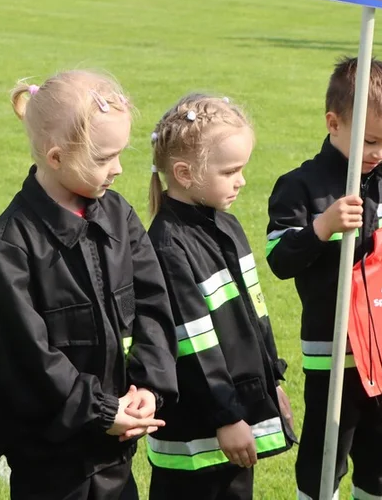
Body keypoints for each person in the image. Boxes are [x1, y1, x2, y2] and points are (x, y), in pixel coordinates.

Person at [0, 71, 178, 500]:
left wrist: (148, 387)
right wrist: (101, 411)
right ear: (55, 157)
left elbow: (153, 307)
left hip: (116, 449)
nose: (118, 169)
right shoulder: (10, 246)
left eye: (120, 154)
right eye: (104, 158)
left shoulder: (117, 215)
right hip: (51, 462)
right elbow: (26, 359)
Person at [266, 56, 382, 500]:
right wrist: (321, 228)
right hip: (333, 348)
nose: (380, 153)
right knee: (326, 458)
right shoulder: (298, 185)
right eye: (371, 141)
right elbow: (279, 258)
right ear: (334, 122)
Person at [145, 93, 296, 500]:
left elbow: (253, 316)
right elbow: (193, 343)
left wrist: (271, 381)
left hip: (234, 419)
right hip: (200, 432)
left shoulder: (226, 226)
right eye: (230, 170)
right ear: (184, 172)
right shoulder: (167, 246)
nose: (241, 180)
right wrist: (225, 417)